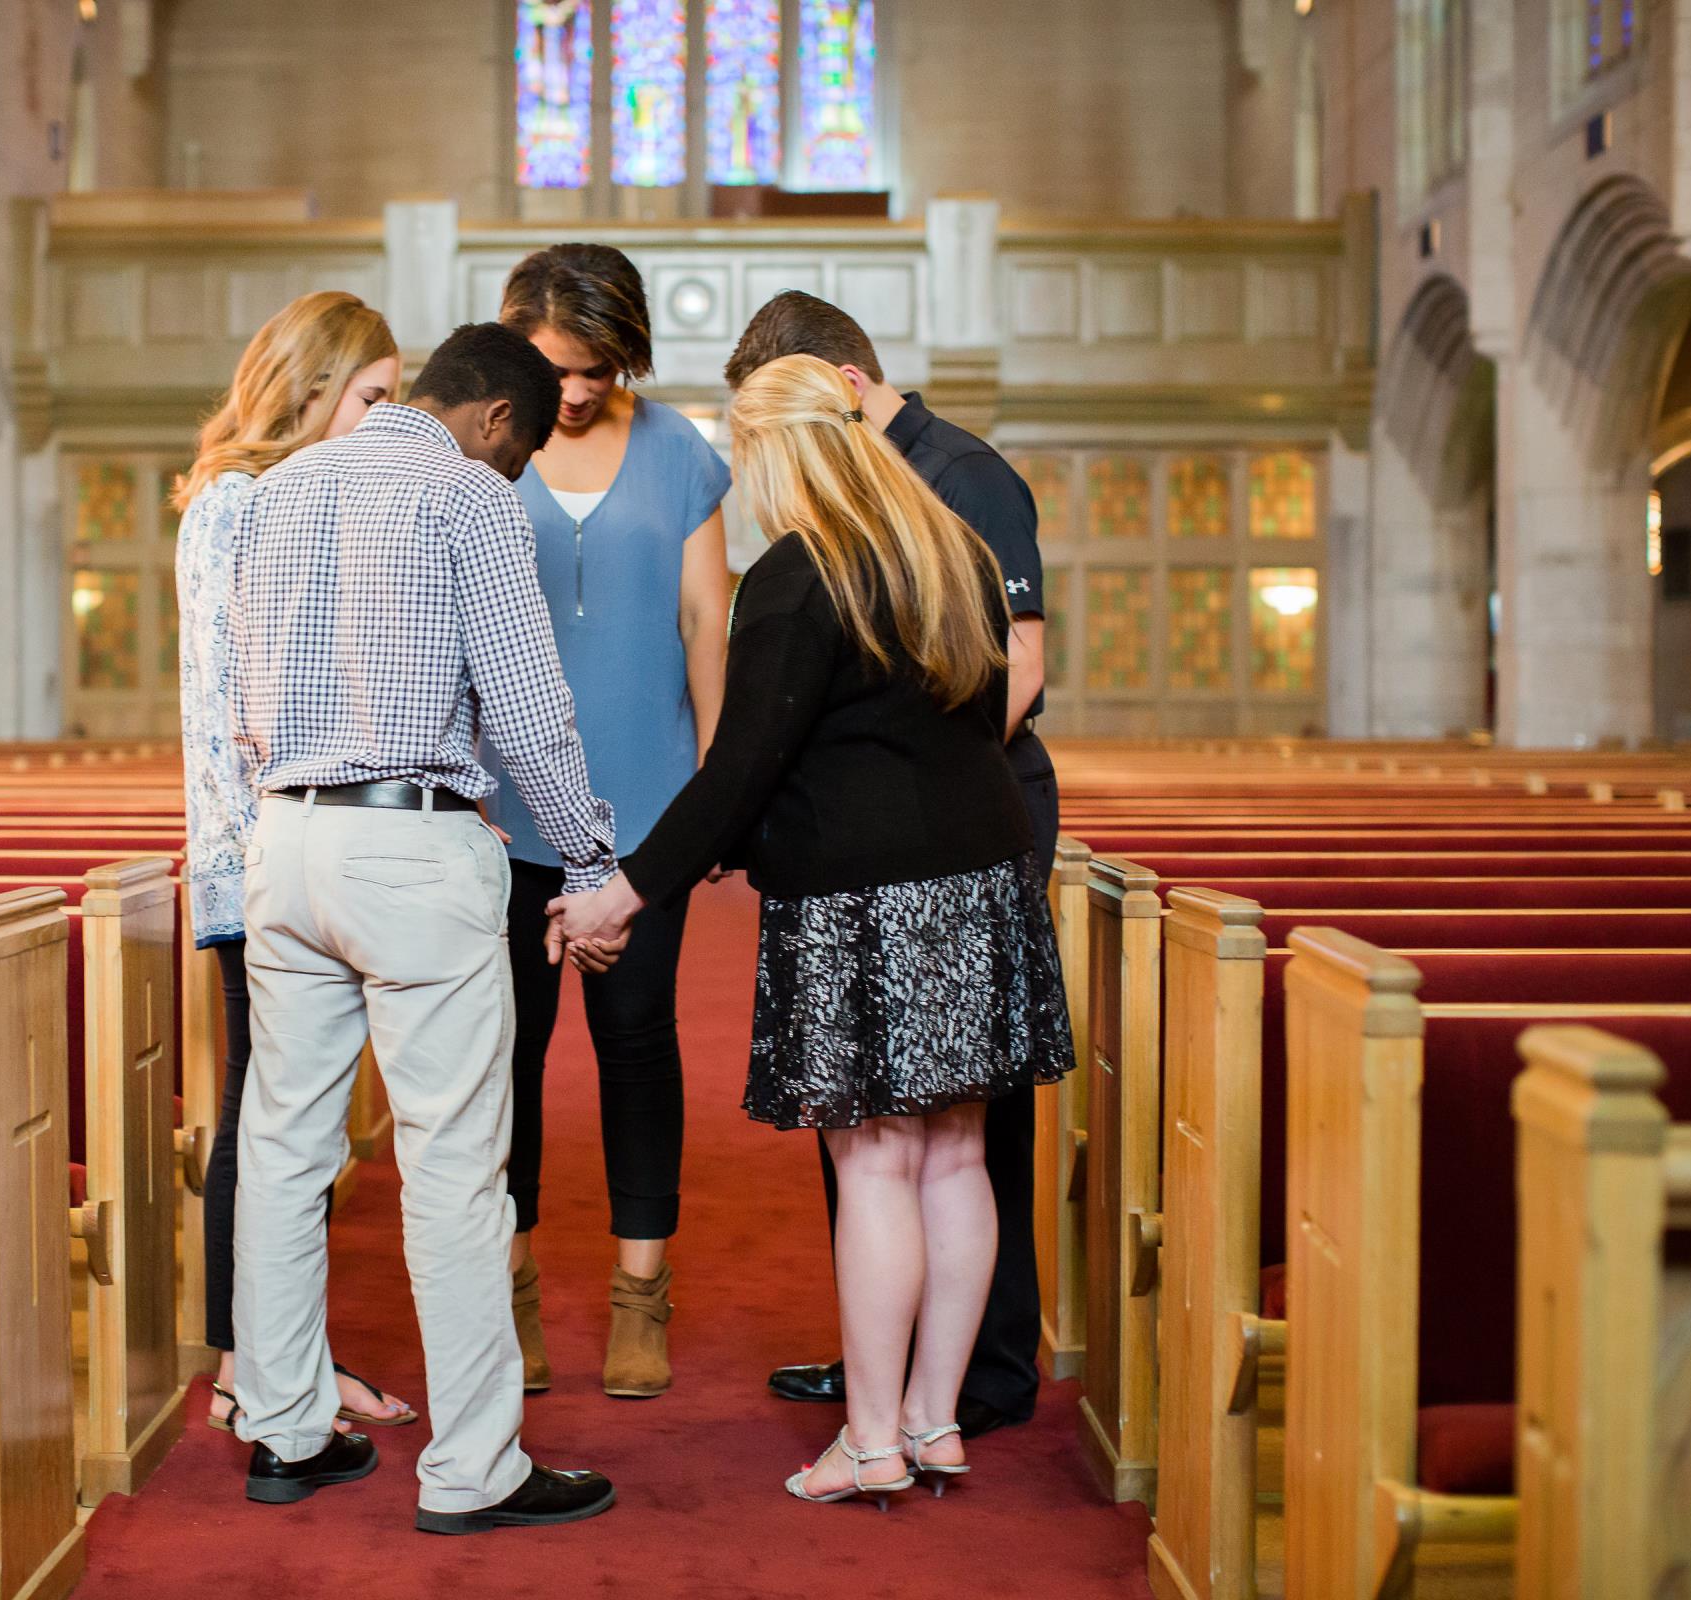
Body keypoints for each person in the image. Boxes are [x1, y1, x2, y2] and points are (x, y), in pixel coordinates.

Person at [546, 354, 1075, 1506]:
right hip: (980, 881)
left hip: (867, 897)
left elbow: (740, 768)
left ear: (775, 452)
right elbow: (984, 713)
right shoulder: (946, 548)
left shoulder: (797, 575)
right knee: (956, 1154)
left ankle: (873, 1438)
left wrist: (624, 890)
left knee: (878, 1157)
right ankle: (935, 1421)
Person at [225, 321, 621, 1534]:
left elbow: (242, 694)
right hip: (413, 841)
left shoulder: (277, 491)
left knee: (287, 1150)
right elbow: (528, 708)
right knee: (454, 1164)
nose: (518, 471)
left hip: (284, 839)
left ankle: (286, 1429)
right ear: (497, 418)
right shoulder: (468, 499)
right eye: (524, 447)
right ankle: (473, 1467)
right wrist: (592, 860)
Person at [721, 291, 1061, 1441]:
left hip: (922, 850)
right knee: (928, 1149)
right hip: (958, 853)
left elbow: (1012, 675)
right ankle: (920, 1393)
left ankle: (952, 1387)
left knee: (912, 1148)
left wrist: (891, 789)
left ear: (841, 395)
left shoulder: (960, 481)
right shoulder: (894, 510)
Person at [173, 289, 418, 1438]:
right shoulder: (238, 501)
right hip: (255, 852)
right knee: (268, 1121)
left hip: (285, 846)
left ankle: (287, 1360)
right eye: (371, 395)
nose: (383, 418)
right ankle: (247, 1370)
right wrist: (276, 843)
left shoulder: (292, 495)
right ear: (315, 386)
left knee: (291, 1124)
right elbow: (232, 703)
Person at [491, 243, 734, 1399]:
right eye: (553, 369)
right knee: (511, 1059)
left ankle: (643, 1293)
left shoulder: (681, 450)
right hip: (502, 815)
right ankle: (514, 1288)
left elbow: (703, 618)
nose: (573, 392)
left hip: (645, 810)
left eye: (593, 368)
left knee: (638, 1047)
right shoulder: (482, 447)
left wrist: (716, 785)